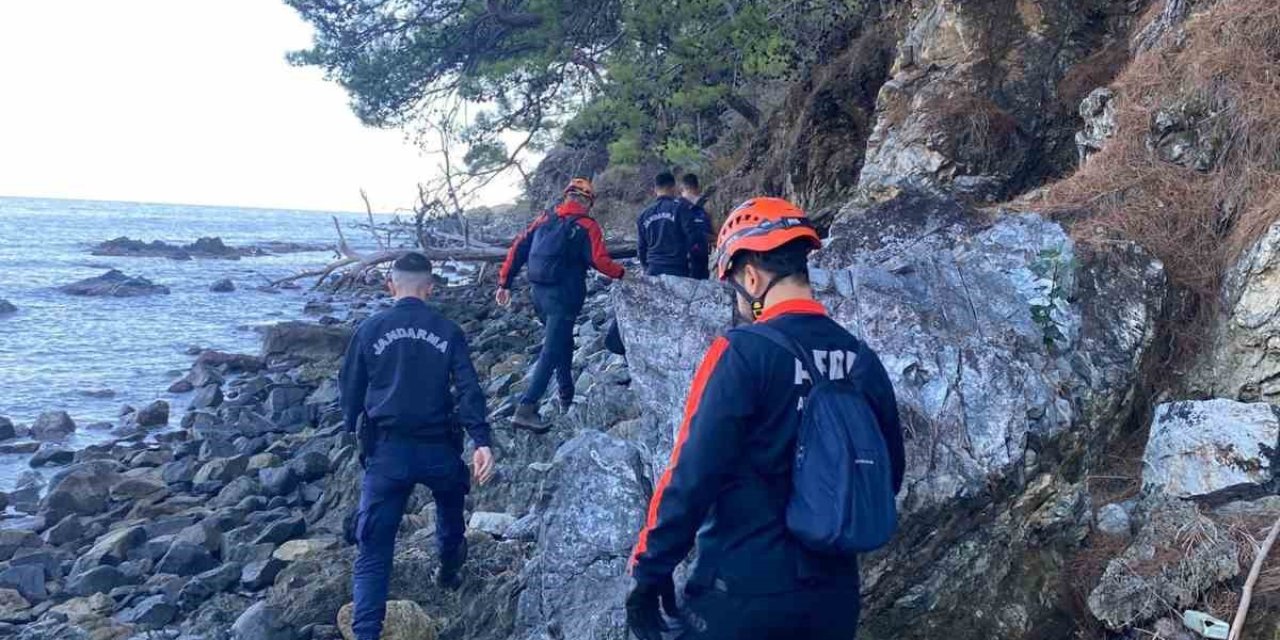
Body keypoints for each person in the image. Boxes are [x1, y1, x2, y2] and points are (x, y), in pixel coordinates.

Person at [624, 197, 905, 640]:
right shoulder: (861, 359)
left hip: (741, 590)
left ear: (751, 277)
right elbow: (889, 474)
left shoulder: (741, 352)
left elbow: (692, 472)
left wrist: (650, 566)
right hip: (834, 598)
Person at [338, 252, 496, 640]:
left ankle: (367, 633)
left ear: (390, 285)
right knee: (450, 507)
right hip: (438, 448)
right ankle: (447, 566)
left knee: (374, 552)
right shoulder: (447, 331)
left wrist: (348, 427)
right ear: (430, 288)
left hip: (387, 453)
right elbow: (468, 390)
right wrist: (481, 441)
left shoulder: (370, 329)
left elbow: (351, 388)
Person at [496, 177, 626, 432]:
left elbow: (518, 248)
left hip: (538, 295)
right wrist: (623, 274)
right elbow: (600, 260)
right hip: (564, 297)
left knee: (563, 341)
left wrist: (504, 284)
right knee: (552, 348)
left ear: (566, 196)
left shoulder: (545, 219)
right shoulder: (587, 226)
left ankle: (566, 394)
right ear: (588, 202)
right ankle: (527, 407)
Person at [637, 172, 704, 278]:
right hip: (677, 271)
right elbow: (694, 239)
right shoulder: (680, 209)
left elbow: (641, 248)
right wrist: (698, 271)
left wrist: (646, 268)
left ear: (655, 189)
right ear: (673, 188)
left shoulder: (643, 215)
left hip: (653, 271)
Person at [679, 173, 713, 280]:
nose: (694, 193)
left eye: (694, 190)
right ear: (683, 190)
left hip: (702, 262)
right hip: (685, 264)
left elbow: (708, 232)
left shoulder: (701, 211)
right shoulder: (677, 210)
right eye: (690, 190)